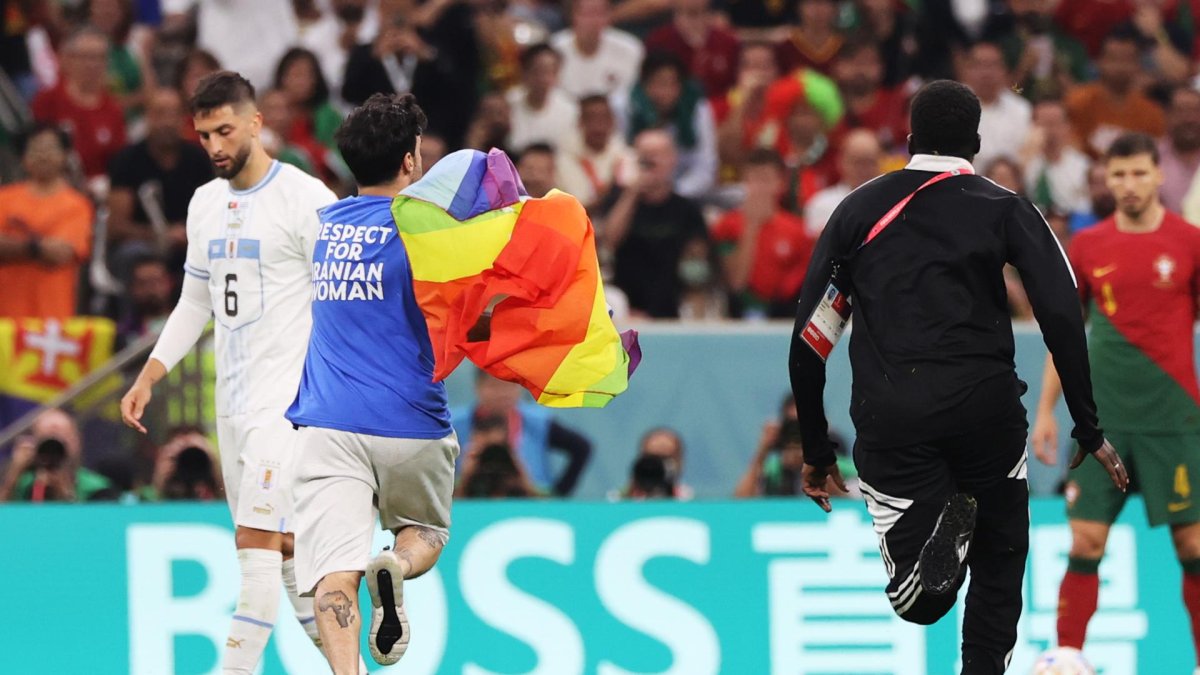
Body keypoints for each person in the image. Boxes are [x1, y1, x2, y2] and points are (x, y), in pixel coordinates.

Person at [789, 80, 1127, 674]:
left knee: (916, 604)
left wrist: (816, 448)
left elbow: (808, 344)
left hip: (894, 419)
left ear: (910, 138)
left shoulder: (858, 210)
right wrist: (1088, 426)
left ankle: (930, 577)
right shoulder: (1005, 206)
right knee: (1000, 560)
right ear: (975, 141)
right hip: (987, 412)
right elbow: (1063, 314)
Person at [118, 71, 338, 675]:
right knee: (285, 556)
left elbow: (343, 301)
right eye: (204, 135)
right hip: (232, 405)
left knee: (256, 546)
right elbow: (195, 302)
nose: (214, 145)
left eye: (224, 130)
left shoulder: (306, 198)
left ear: (255, 122)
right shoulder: (204, 202)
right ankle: (353, 669)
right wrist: (151, 375)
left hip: (289, 405)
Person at [285, 92, 458, 671]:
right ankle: (397, 566)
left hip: (327, 423)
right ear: (409, 162)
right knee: (424, 531)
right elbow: (464, 318)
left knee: (335, 575)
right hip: (409, 422)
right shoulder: (424, 233)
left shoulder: (323, 227)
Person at [1031, 132, 1200, 667]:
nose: (1128, 184)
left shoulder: (1190, 243)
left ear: (1157, 175)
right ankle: (1068, 658)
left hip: (1173, 417)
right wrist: (1045, 414)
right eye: (1118, 174)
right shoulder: (1086, 246)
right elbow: (1066, 333)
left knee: (1194, 548)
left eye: (1138, 173)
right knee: (1085, 543)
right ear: (1107, 178)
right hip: (1100, 422)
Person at [0, 124, 93, 319]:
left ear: (64, 156)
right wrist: (38, 248)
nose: (43, 155)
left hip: (53, 320)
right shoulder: (5, 198)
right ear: (23, 158)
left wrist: (14, 245)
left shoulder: (77, 205)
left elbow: (61, 253)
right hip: (6, 319)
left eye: (49, 148)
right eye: (35, 149)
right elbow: (49, 250)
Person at [452, 372, 593, 497]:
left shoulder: (538, 423)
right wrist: (464, 477)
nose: (503, 393)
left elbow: (582, 448)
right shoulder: (453, 426)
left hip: (529, 506)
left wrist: (557, 496)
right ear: (478, 387)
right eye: (494, 386)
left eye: (510, 385)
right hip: (467, 503)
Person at [712, 148, 814, 319]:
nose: (759, 187)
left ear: (780, 183)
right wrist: (751, 226)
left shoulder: (797, 230)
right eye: (753, 179)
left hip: (781, 315)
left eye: (765, 179)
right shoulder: (726, 226)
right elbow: (735, 283)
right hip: (735, 314)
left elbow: (799, 286)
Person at [0, 408, 112, 503]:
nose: (53, 450)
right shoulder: (23, 484)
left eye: (63, 438)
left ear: (77, 441)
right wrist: (15, 472)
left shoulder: (96, 488)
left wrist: (66, 493)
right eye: (47, 439)